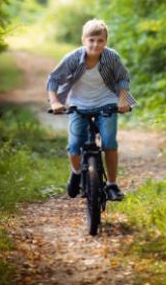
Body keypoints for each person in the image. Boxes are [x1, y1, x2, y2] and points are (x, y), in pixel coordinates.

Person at [46, 19, 136, 201]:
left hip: (107, 103)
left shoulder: (111, 57)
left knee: (110, 141)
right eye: (91, 40)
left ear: (106, 41)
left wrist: (122, 100)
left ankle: (111, 184)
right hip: (78, 106)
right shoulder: (73, 58)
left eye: (100, 40)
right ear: (83, 40)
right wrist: (55, 102)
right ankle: (76, 172)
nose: (95, 44)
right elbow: (54, 79)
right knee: (74, 145)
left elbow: (123, 79)